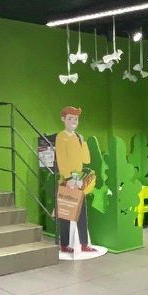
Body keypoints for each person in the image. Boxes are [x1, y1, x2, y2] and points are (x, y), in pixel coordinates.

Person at [55, 106, 97, 255]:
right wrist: (68, 178)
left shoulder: (78, 137)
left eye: (76, 119)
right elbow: (61, 159)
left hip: (78, 179)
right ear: (63, 119)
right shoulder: (61, 137)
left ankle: (84, 244)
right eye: (70, 118)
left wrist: (83, 143)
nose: (73, 121)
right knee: (66, 213)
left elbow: (86, 159)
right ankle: (64, 244)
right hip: (67, 180)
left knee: (81, 212)